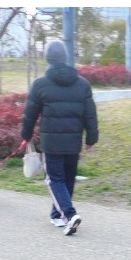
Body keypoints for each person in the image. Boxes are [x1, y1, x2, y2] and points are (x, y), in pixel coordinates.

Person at [20, 40, 99, 236]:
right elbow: (90, 114)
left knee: (54, 179)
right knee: (67, 178)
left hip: (52, 143)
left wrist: (26, 136)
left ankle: (69, 216)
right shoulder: (82, 84)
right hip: (73, 141)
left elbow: (30, 114)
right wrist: (91, 138)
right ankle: (57, 214)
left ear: (47, 58)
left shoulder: (40, 84)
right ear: (65, 57)